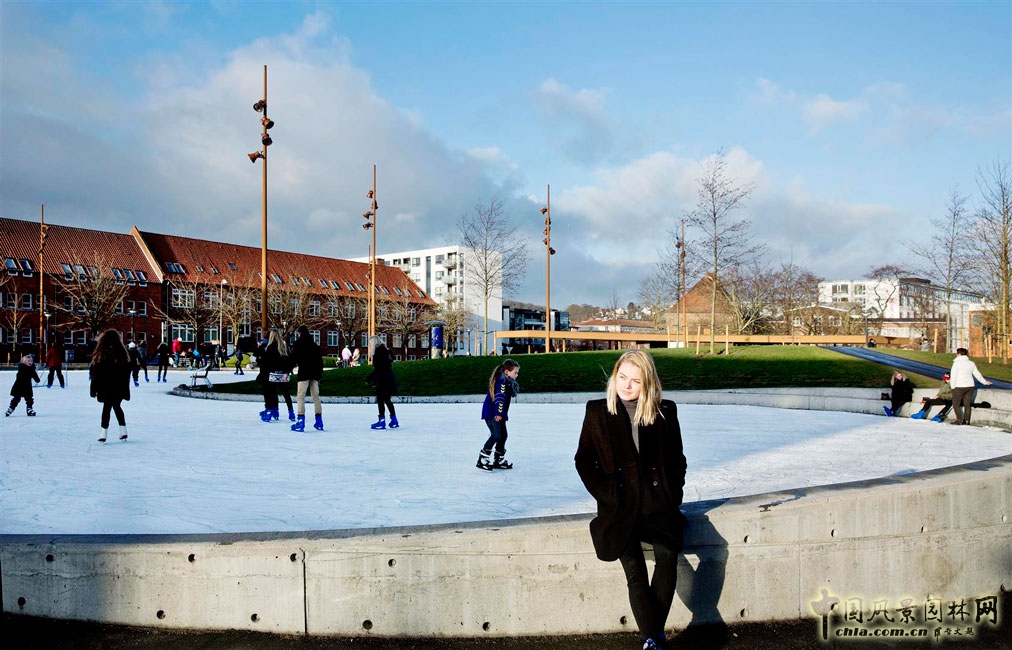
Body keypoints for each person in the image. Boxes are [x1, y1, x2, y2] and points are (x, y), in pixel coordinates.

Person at [574, 350, 686, 650]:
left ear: (647, 383)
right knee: (635, 569)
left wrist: (672, 494)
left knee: (668, 555)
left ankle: (652, 638)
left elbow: (677, 459)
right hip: (619, 507)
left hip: (657, 504)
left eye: (635, 381)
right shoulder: (597, 411)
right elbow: (584, 460)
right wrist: (607, 494)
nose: (626, 385)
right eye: (621, 377)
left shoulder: (665, 411)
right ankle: (654, 639)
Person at [476, 359, 520, 471]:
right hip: (492, 413)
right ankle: (482, 458)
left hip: (499, 413)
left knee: (503, 435)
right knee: (496, 435)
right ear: (507, 372)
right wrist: (499, 413)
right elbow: (500, 398)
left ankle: (498, 459)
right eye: (515, 372)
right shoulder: (502, 382)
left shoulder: (507, 382)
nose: (517, 375)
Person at [89, 330, 131, 442]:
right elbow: (127, 371)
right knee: (117, 406)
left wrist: (93, 389)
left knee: (107, 407)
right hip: (119, 385)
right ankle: (123, 430)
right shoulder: (122, 353)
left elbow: (95, 373)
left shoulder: (101, 353)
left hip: (105, 386)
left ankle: (103, 432)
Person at [291, 325, 324, 432]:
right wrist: (319, 375)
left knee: (301, 396)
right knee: (316, 396)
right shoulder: (314, 345)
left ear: (299, 333)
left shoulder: (298, 344)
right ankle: (319, 420)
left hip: (304, 373)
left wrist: (288, 370)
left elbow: (293, 359)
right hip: (315, 374)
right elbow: (320, 361)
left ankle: (301, 420)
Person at [255, 330, 293, 422]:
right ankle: (291, 412)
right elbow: (290, 361)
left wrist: (258, 361)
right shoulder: (284, 347)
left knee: (270, 393)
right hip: (283, 375)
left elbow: (265, 362)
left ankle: (270, 411)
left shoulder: (269, 348)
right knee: (286, 394)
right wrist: (287, 371)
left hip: (272, 374)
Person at [949, 347, 992, 425]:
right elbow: (977, 374)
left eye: (957, 353)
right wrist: (985, 382)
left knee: (955, 403)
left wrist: (952, 386)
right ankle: (967, 420)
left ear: (959, 354)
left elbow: (954, 375)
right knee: (967, 404)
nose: (956, 355)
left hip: (959, 386)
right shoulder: (971, 363)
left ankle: (959, 419)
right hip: (970, 386)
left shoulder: (956, 363)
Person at [367, 337, 398, 429]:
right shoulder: (386, 351)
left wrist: (373, 381)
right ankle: (394, 419)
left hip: (382, 380)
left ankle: (382, 420)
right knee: (387, 400)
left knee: (380, 400)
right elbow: (386, 365)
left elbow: (378, 369)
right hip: (389, 378)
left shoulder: (378, 352)